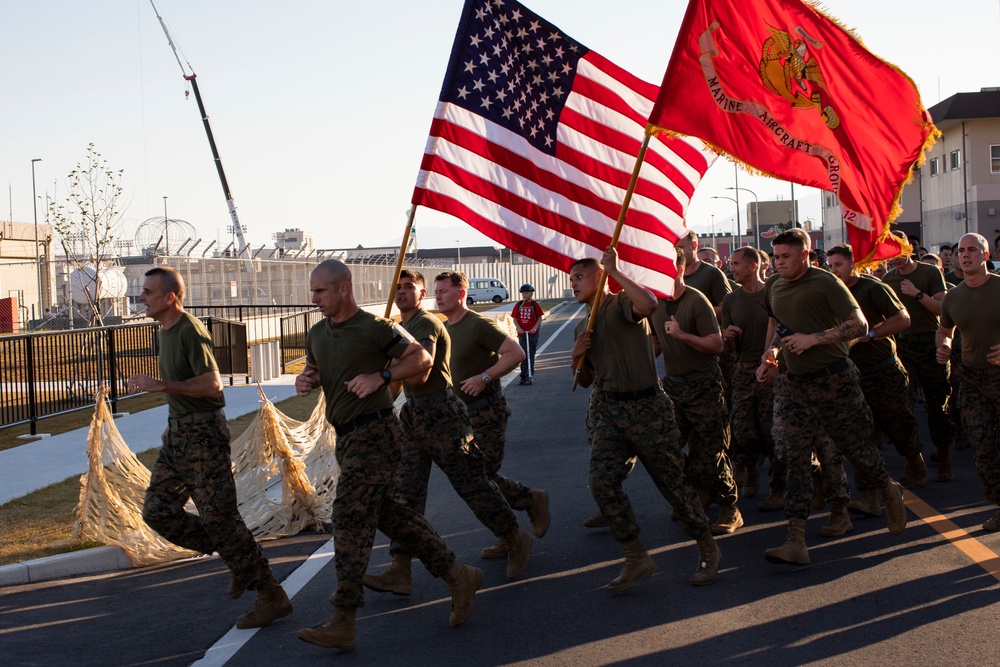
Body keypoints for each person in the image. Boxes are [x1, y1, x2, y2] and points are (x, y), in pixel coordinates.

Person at [295, 260, 483, 652]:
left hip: (376, 433)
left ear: (343, 289)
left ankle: (343, 618)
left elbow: (421, 359)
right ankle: (457, 573)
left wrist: (380, 377)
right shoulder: (317, 333)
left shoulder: (375, 327)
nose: (313, 299)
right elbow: (315, 369)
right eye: (312, 291)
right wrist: (307, 379)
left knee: (348, 518)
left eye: (320, 291)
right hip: (345, 437)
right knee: (391, 516)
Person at [129, 267, 292, 630]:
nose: (142, 297)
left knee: (221, 519)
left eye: (148, 291)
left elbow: (212, 386)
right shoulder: (166, 331)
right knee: (157, 511)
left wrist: (160, 385)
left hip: (203, 438)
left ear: (169, 297)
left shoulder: (189, 330)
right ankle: (239, 560)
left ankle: (271, 594)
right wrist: (172, 424)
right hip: (179, 436)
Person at [362, 270, 534, 598]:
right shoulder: (399, 329)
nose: (400, 292)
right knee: (406, 494)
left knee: (473, 485)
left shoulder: (425, 323)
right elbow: (399, 385)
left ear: (421, 292)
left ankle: (514, 536)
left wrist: (385, 371)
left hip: (441, 414)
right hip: (413, 416)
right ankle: (400, 568)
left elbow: (418, 373)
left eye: (408, 287)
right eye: (396, 287)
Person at [570, 247, 720, 590]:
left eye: (580, 277)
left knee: (674, 485)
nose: (574, 284)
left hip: (647, 409)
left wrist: (617, 270)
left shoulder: (620, 303)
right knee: (601, 481)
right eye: (571, 279)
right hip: (610, 409)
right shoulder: (583, 324)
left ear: (600, 277)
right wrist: (577, 355)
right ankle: (636, 556)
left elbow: (650, 305)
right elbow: (584, 380)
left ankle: (707, 548)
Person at [757, 229, 906, 566]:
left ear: (806, 255)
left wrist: (815, 339)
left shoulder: (826, 283)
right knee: (793, 458)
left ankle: (887, 488)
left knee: (855, 446)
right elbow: (782, 330)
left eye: (786, 257)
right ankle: (796, 539)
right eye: (776, 257)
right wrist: (769, 358)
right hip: (793, 384)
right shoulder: (774, 286)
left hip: (833, 379)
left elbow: (858, 324)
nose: (778, 263)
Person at [435, 271, 549, 557]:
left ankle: (521, 517)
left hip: (487, 411)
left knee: (479, 477)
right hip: (461, 416)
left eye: (444, 291)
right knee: (476, 478)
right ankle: (512, 525)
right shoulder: (444, 329)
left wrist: (484, 377)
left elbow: (516, 353)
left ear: (461, 294)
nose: (437, 296)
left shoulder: (478, 324)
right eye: (436, 291)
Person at [827, 244, 927, 518]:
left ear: (853, 264)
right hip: (852, 374)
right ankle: (870, 497)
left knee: (899, 423)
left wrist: (870, 335)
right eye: (830, 265)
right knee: (862, 435)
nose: (834, 270)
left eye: (839, 265)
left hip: (882, 369)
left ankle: (914, 460)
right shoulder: (831, 291)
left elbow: (903, 320)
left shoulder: (873, 288)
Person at [650, 248, 742, 535]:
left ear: (680, 269)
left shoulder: (696, 301)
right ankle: (697, 494)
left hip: (704, 385)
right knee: (665, 447)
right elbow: (655, 344)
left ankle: (730, 508)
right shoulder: (656, 305)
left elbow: (717, 346)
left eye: (666, 271)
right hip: (674, 387)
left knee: (712, 452)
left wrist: (681, 335)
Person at [937, 233, 1000, 531]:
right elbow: (944, 329)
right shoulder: (953, 296)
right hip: (972, 380)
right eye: (961, 250)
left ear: (985, 256)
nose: (964, 255)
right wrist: (945, 345)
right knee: (983, 447)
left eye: (972, 250)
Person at [882, 233, 954, 481]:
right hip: (904, 348)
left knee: (937, 404)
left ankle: (944, 456)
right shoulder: (888, 279)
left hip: (930, 343)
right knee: (905, 406)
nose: (895, 258)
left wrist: (917, 294)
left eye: (898, 251)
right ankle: (914, 461)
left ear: (909, 248)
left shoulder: (929, 273)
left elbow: (943, 309)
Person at [722, 247, 784, 511]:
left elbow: (782, 329)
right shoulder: (731, 300)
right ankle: (749, 468)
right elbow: (728, 348)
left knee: (773, 432)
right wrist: (729, 338)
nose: (731, 267)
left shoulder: (773, 294)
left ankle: (778, 488)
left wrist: (772, 363)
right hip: (743, 371)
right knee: (742, 430)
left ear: (753, 266)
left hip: (772, 371)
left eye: (736, 263)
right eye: (731, 263)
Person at [511, 284, 544, 385]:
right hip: (522, 334)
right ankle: (524, 375)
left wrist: (534, 328)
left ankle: (530, 374)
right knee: (524, 354)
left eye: (527, 293)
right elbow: (515, 319)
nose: (525, 295)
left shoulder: (535, 305)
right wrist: (519, 328)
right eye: (523, 293)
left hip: (533, 334)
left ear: (531, 294)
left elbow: (539, 318)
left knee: (531, 354)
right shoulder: (519, 305)